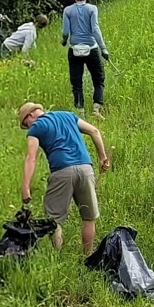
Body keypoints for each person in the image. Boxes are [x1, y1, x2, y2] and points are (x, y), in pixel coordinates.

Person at [18, 102, 110, 254]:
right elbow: (94, 131)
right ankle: (87, 256)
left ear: (30, 115)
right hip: (85, 169)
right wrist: (102, 157)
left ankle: (58, 256)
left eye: (25, 124)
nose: (28, 127)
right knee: (89, 218)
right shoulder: (68, 116)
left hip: (62, 171)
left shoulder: (37, 126)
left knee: (54, 220)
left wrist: (25, 186)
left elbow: (31, 157)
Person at [62, 0, 108, 118]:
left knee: (76, 82)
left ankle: (80, 111)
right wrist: (103, 48)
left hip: (74, 49)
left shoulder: (68, 11)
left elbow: (65, 32)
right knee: (98, 80)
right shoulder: (92, 9)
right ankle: (96, 109)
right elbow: (95, 29)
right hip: (91, 48)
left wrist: (64, 41)